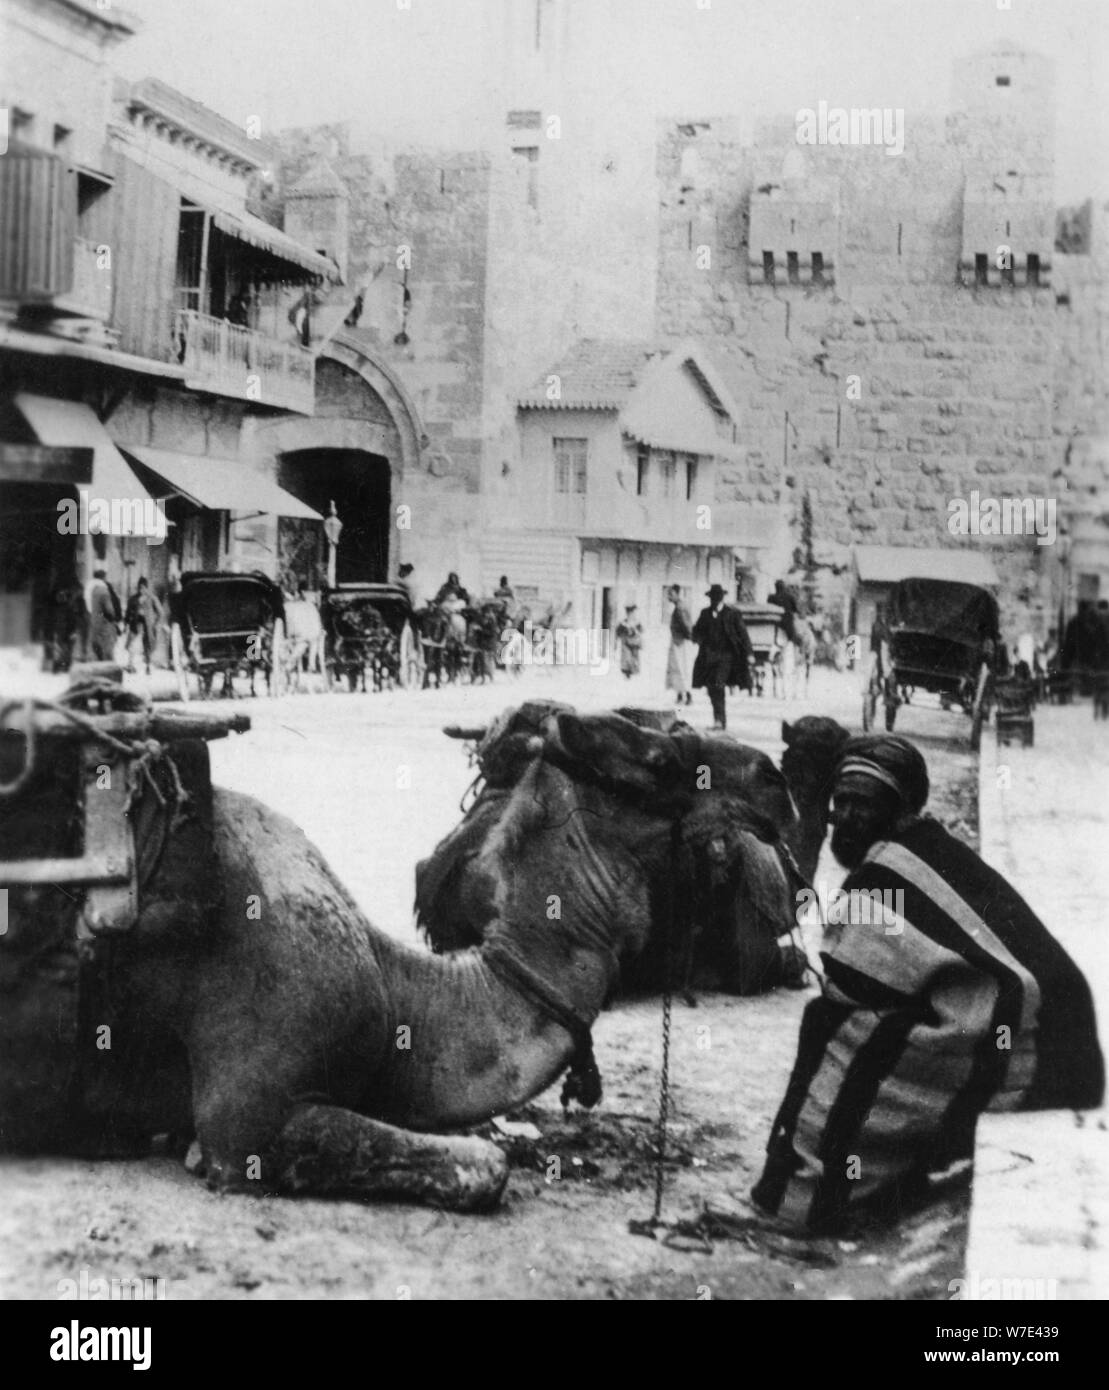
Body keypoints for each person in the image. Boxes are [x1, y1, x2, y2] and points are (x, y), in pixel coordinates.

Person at [751, 734, 1104, 1233]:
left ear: (897, 809)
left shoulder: (884, 872)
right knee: (872, 1025)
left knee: (831, 1028)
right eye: (841, 803)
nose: (846, 816)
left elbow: (849, 987)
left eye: (863, 804)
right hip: (1065, 1048)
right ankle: (885, 1171)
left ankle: (812, 1192)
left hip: (1037, 1052)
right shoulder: (933, 848)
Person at [692, 584, 752, 730]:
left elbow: (743, 634)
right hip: (708, 657)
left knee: (718, 684)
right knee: (712, 688)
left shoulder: (732, 613)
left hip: (726, 657)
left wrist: (749, 653)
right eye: (712, 597)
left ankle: (720, 720)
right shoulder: (705, 613)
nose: (714, 600)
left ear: (721, 598)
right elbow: (697, 631)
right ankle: (718, 719)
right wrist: (697, 638)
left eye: (717, 597)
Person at [124, 577, 164, 674]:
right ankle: (130, 665)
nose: (141, 590)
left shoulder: (152, 598)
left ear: (147, 588)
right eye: (139, 588)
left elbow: (161, 612)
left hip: (148, 625)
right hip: (135, 623)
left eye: (143, 587)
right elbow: (128, 612)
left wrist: (156, 623)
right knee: (132, 644)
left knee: (148, 645)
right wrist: (126, 624)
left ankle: (148, 666)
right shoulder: (133, 599)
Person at [85, 568, 122, 663]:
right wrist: (114, 617)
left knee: (96, 651)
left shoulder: (90, 589)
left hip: (93, 623)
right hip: (104, 624)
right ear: (103, 578)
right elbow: (110, 610)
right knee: (107, 651)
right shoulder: (103, 591)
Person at [665, 584, 693, 705]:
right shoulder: (678, 607)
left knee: (682, 668)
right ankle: (680, 694)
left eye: (671, 594)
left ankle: (687, 695)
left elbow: (687, 625)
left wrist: (688, 638)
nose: (668, 597)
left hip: (680, 642)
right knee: (676, 669)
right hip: (677, 641)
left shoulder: (680, 608)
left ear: (677, 594)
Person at [615, 603, 643, 679]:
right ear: (627, 613)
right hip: (625, 644)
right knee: (626, 657)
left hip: (634, 643)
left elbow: (641, 631)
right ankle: (627, 672)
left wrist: (635, 632)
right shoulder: (623, 623)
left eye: (632, 613)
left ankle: (634, 670)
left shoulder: (637, 623)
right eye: (629, 613)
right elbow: (618, 632)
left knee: (634, 657)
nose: (631, 614)